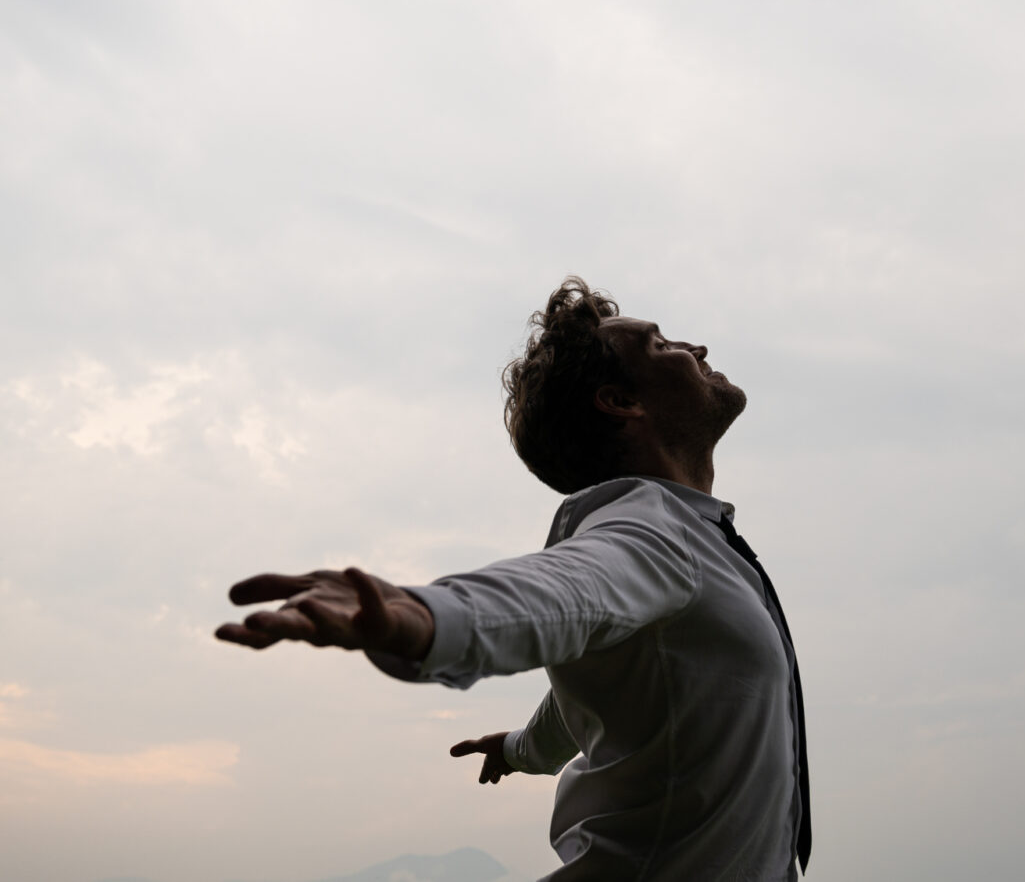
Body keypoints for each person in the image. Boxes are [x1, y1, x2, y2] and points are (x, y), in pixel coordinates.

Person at [216, 277, 811, 880]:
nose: (696, 349)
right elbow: (565, 590)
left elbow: (607, 680)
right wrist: (430, 618)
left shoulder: (688, 537)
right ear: (622, 402)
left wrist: (519, 749)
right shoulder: (651, 529)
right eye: (659, 346)